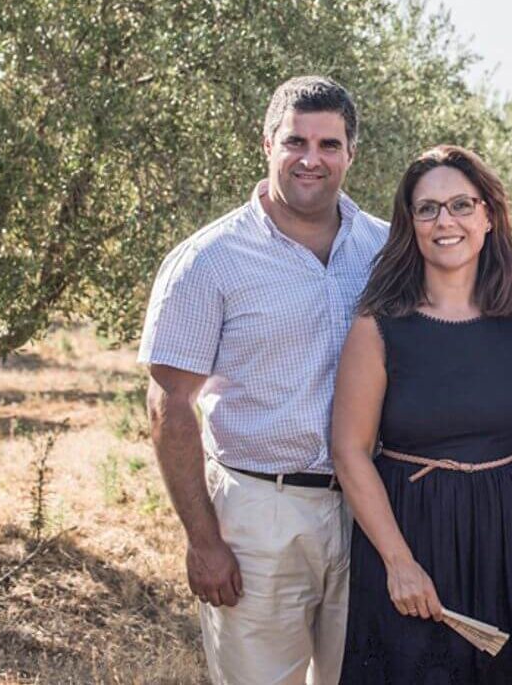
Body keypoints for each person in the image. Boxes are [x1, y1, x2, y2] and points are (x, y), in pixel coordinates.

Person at [140, 76, 388, 683]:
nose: (311, 158)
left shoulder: (384, 249)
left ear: (351, 152)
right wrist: (204, 539)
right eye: (295, 141)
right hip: (259, 514)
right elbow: (170, 404)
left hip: (371, 513)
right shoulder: (209, 260)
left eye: (329, 144)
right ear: (266, 144)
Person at [331, 146, 512, 684]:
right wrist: (398, 562)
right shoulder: (379, 323)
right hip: (412, 531)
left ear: (488, 216)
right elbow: (349, 450)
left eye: (461, 205)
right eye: (428, 209)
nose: (446, 222)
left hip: (511, 534)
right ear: (409, 223)